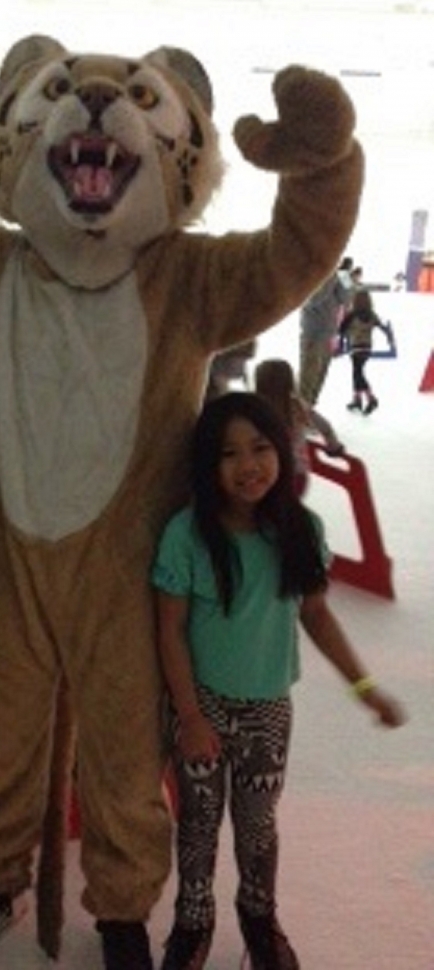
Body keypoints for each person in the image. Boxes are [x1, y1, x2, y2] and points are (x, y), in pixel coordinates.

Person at [151, 391, 406, 970]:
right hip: (201, 708)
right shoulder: (187, 535)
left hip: (267, 711)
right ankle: (192, 922)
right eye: (229, 454)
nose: (248, 465)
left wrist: (364, 687)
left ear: (283, 451)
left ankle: (259, 918)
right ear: (207, 465)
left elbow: (316, 614)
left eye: (260, 448)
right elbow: (170, 631)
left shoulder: (301, 530)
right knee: (198, 825)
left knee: (257, 826)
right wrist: (189, 717)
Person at [254, 358, 344, 496]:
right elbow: (325, 427)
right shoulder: (298, 406)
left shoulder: (255, 409)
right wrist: (334, 447)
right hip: (297, 474)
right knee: (288, 507)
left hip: (263, 475)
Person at [297, 257, 355, 406]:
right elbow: (315, 299)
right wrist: (331, 274)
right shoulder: (311, 274)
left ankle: (309, 410)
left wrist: (345, 275)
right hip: (313, 334)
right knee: (307, 381)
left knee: (319, 380)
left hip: (330, 334)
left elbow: (347, 298)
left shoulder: (336, 275)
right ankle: (300, 412)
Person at [338, 288, 392, 415]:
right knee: (357, 372)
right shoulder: (372, 314)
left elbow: (340, 330)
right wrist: (389, 339)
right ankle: (357, 399)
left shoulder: (352, 315)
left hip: (355, 347)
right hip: (367, 348)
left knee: (358, 373)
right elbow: (383, 328)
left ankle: (371, 398)